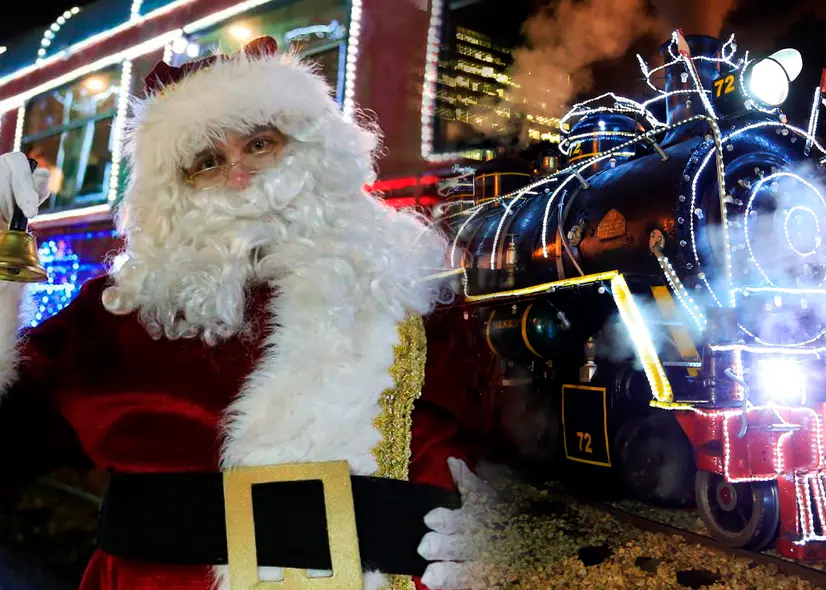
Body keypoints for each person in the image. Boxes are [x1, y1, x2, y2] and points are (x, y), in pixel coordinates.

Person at [0, 36, 477, 590]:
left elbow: (493, 440)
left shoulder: (409, 280)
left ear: (309, 148)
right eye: (207, 161)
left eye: (259, 143)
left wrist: (493, 528)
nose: (239, 175)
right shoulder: (114, 313)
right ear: (173, 191)